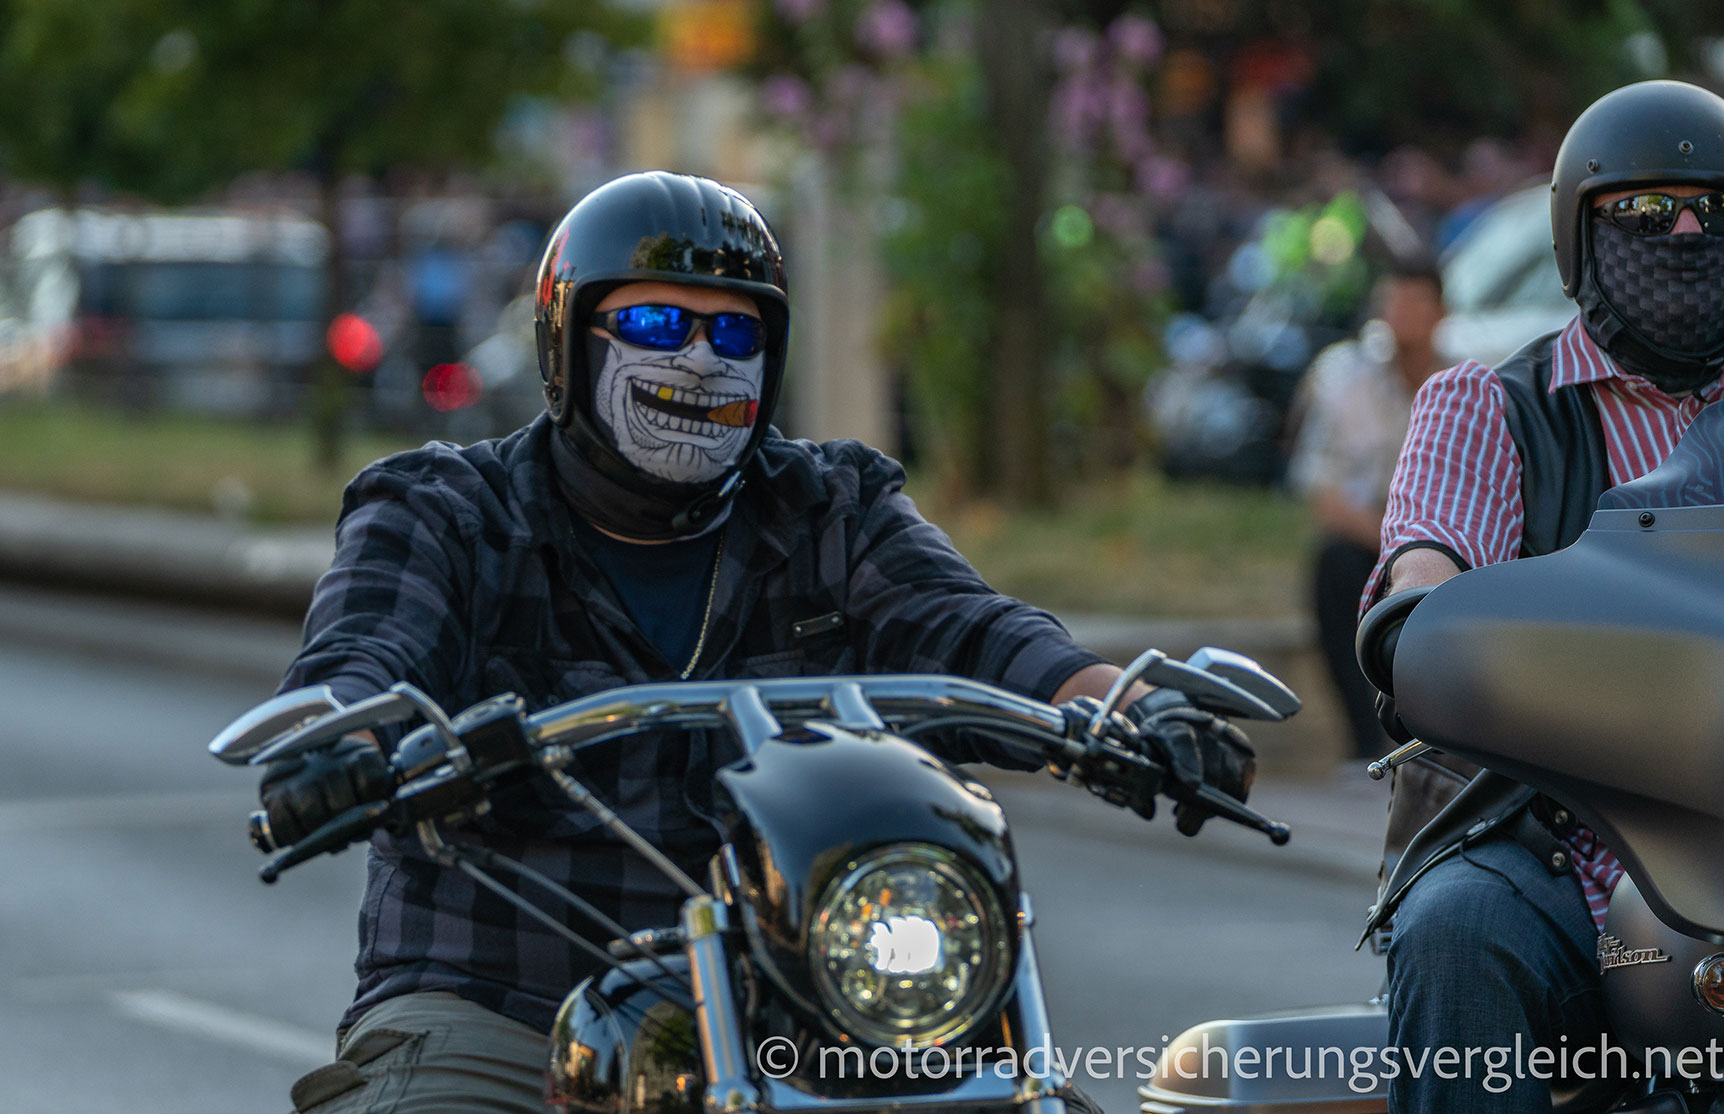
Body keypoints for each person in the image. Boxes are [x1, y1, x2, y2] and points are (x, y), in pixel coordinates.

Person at [255, 171, 1256, 1114]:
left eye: (734, 332)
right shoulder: (444, 509)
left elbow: (972, 627)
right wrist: (337, 743)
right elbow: (359, 660)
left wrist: (1125, 704)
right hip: (502, 994)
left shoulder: (831, 505)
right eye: (655, 322)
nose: (698, 358)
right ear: (567, 341)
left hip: (804, 990)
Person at [1363, 80, 1724, 1113]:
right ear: (1578, 234)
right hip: (1546, 836)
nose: (1688, 234)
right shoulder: (1487, 406)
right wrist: (1421, 611)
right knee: (1456, 933)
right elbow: (1428, 560)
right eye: (1650, 212)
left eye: (1716, 210)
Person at [1287, 260, 1445, 760]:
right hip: (1373, 539)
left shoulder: (1467, 381)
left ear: (1441, 311)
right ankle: (1362, 743)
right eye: (1392, 303)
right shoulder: (1343, 378)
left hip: (1452, 541)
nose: (1402, 316)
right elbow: (1321, 493)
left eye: (1415, 303)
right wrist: (1399, 546)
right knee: (1332, 565)